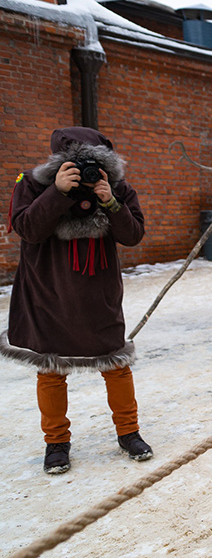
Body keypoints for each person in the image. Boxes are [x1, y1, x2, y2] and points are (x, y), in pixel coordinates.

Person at [1, 127, 151, 474]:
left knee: (115, 365)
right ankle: (56, 443)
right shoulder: (33, 185)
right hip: (47, 292)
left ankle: (129, 433)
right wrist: (56, 192)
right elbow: (27, 229)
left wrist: (110, 201)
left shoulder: (117, 188)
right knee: (51, 369)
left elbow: (133, 235)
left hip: (99, 294)